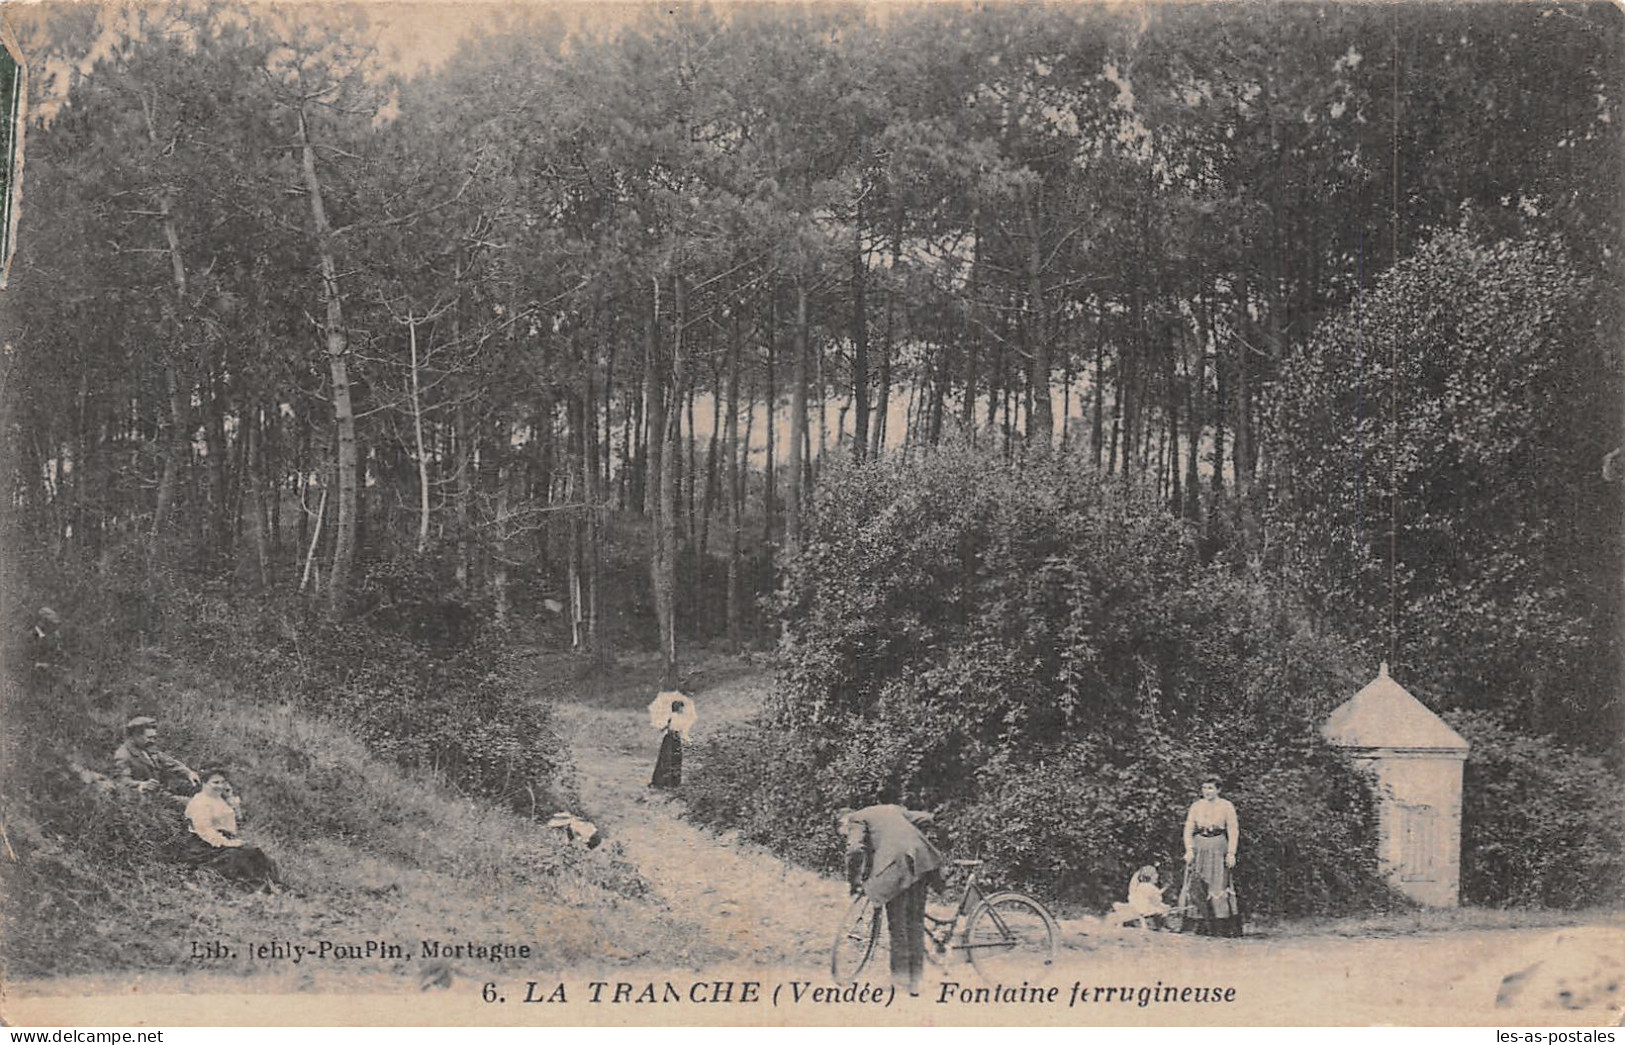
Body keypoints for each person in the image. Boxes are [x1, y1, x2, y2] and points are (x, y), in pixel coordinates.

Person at [838, 803, 944, 997]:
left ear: (843, 821)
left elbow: (854, 850)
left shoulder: (856, 819)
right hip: (921, 861)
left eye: (843, 832)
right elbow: (927, 818)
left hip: (896, 867)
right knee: (915, 925)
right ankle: (915, 983)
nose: (844, 834)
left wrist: (853, 882)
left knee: (898, 927)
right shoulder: (890, 809)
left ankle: (900, 982)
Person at [183, 768, 280, 890]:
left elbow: (238, 821)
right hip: (204, 845)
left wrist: (231, 798)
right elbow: (204, 830)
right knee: (239, 855)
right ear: (204, 783)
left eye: (223, 782)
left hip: (222, 840)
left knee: (257, 853)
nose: (220, 786)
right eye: (215, 782)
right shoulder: (200, 802)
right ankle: (257, 888)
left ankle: (274, 885)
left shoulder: (220, 799)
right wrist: (228, 843)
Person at [1180, 775, 1242, 937]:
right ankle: (1197, 924)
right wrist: (1189, 849)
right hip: (1200, 845)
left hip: (1218, 846)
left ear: (1218, 790)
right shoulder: (1196, 806)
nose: (1207, 791)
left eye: (1210, 788)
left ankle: (1220, 926)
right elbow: (1188, 829)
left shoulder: (1226, 806)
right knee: (1197, 882)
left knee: (1218, 882)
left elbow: (1233, 830)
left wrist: (1231, 853)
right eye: (1204, 788)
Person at [112, 716, 200, 803]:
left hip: (163, 790)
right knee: (194, 804)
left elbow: (170, 762)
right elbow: (122, 781)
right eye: (149, 737)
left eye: (154, 737)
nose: (153, 741)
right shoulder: (123, 755)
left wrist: (188, 773)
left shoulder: (147, 747)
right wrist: (141, 784)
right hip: (148, 799)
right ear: (136, 736)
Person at [647, 690, 696, 790]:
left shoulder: (672, 717)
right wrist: (688, 741)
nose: (683, 710)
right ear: (678, 708)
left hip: (670, 739)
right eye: (682, 708)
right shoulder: (677, 718)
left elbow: (666, 728)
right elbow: (679, 731)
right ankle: (670, 783)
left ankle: (662, 782)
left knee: (666, 760)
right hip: (673, 740)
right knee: (671, 760)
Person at [1112, 864, 1172, 929]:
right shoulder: (1151, 887)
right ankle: (1161, 925)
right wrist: (1164, 890)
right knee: (1165, 909)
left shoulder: (1140, 886)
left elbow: (1146, 896)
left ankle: (1157, 924)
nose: (1157, 876)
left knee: (1161, 908)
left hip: (1137, 906)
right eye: (1155, 875)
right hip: (1145, 908)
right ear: (1150, 877)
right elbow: (1156, 899)